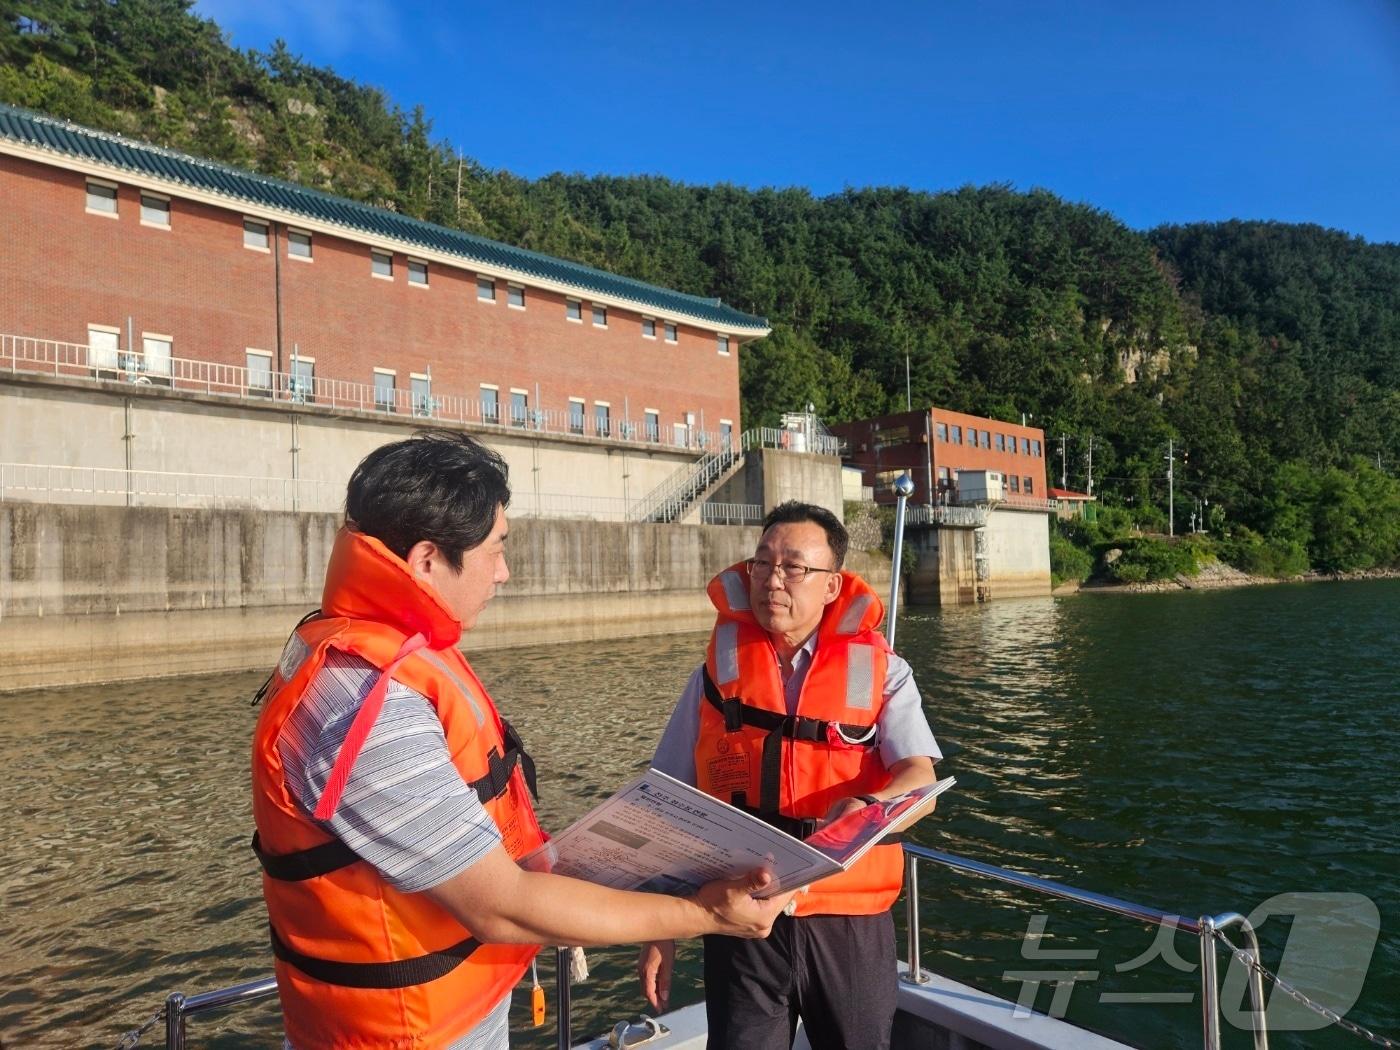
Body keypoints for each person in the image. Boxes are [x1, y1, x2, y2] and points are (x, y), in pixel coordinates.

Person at [250, 430, 792, 1050]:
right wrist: (705, 914)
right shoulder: (364, 709)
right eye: (496, 549)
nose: (504, 572)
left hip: (454, 1014)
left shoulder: (378, 653)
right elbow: (499, 905)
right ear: (427, 560)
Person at [637, 501, 942, 1050]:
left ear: (831, 585)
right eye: (762, 563)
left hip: (848, 917)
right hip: (741, 912)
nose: (773, 580)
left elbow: (920, 781)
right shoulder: (715, 676)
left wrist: (868, 807)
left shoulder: (883, 672)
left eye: (794, 567)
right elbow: (668, 798)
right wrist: (661, 926)